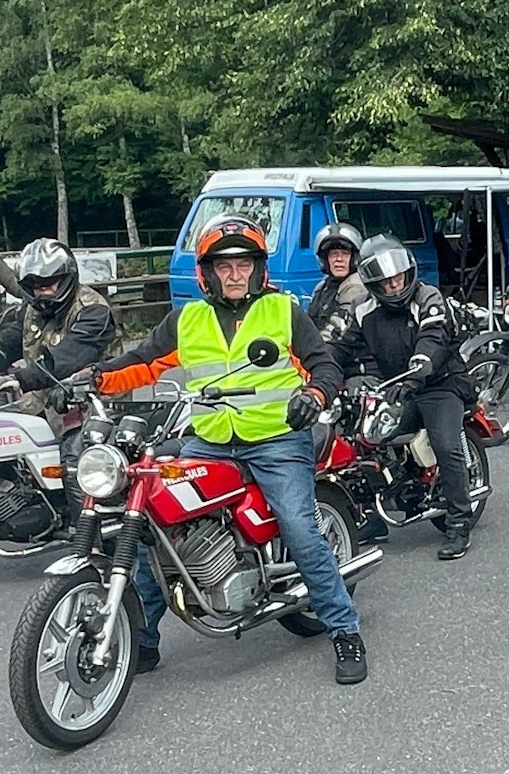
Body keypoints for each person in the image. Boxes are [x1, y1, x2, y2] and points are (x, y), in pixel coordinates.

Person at [89, 215, 368, 685]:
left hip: (277, 438)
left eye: (243, 264)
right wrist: (90, 380)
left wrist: (313, 396)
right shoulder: (188, 318)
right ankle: (142, 638)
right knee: (153, 520)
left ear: (258, 269)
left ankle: (344, 630)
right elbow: (140, 362)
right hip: (211, 441)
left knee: (300, 529)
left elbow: (324, 364)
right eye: (224, 266)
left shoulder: (283, 311)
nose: (234, 274)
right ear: (207, 272)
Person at [336, 234, 478, 562]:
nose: (396, 283)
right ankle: (370, 516)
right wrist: (319, 367)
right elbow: (341, 344)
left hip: (440, 382)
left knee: (446, 444)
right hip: (397, 384)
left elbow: (434, 335)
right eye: (386, 281)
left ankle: (458, 521)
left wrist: (423, 363)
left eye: (398, 275)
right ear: (373, 283)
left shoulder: (427, 297)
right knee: (358, 440)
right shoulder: (363, 309)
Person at [0, 238, 118, 405]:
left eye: (48, 282)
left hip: (97, 405)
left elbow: (69, 357)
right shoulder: (33, 309)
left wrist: (19, 379)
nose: (41, 290)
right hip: (49, 397)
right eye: (33, 284)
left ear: (65, 278)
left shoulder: (94, 311)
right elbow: (9, 341)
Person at [307, 222, 368, 344]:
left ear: (354, 258)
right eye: (333, 254)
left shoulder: (355, 286)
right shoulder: (323, 287)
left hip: (350, 357)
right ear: (325, 259)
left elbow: (337, 328)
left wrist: (310, 349)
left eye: (345, 254)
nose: (339, 259)